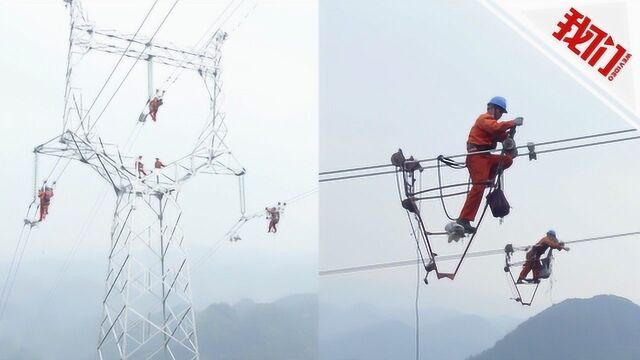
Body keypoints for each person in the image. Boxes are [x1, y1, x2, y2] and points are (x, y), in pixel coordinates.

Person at [456, 96, 524, 234]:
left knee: (507, 160)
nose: (499, 115)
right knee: (478, 187)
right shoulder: (484, 119)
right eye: (499, 112)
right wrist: (512, 122)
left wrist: (511, 141)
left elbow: (501, 135)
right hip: (476, 157)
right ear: (492, 109)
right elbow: (495, 128)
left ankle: (488, 179)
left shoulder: (493, 124)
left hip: (486, 157)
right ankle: (463, 219)